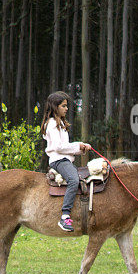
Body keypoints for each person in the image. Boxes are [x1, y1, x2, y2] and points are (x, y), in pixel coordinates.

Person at [41, 91, 91, 232]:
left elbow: (64, 145)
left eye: (66, 106)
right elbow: (58, 147)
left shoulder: (60, 123)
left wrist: (80, 146)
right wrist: (78, 146)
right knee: (74, 180)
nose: (66, 108)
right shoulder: (52, 124)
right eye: (63, 106)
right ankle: (65, 216)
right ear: (55, 107)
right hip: (59, 160)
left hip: (65, 160)